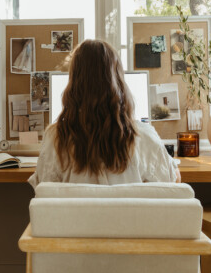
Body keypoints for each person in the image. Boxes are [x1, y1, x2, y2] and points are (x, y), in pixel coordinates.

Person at [28, 39, 180, 189]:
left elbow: (43, 190)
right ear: (119, 82)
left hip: (77, 215)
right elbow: (170, 184)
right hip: (126, 215)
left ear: (74, 85)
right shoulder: (144, 135)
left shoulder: (55, 137)